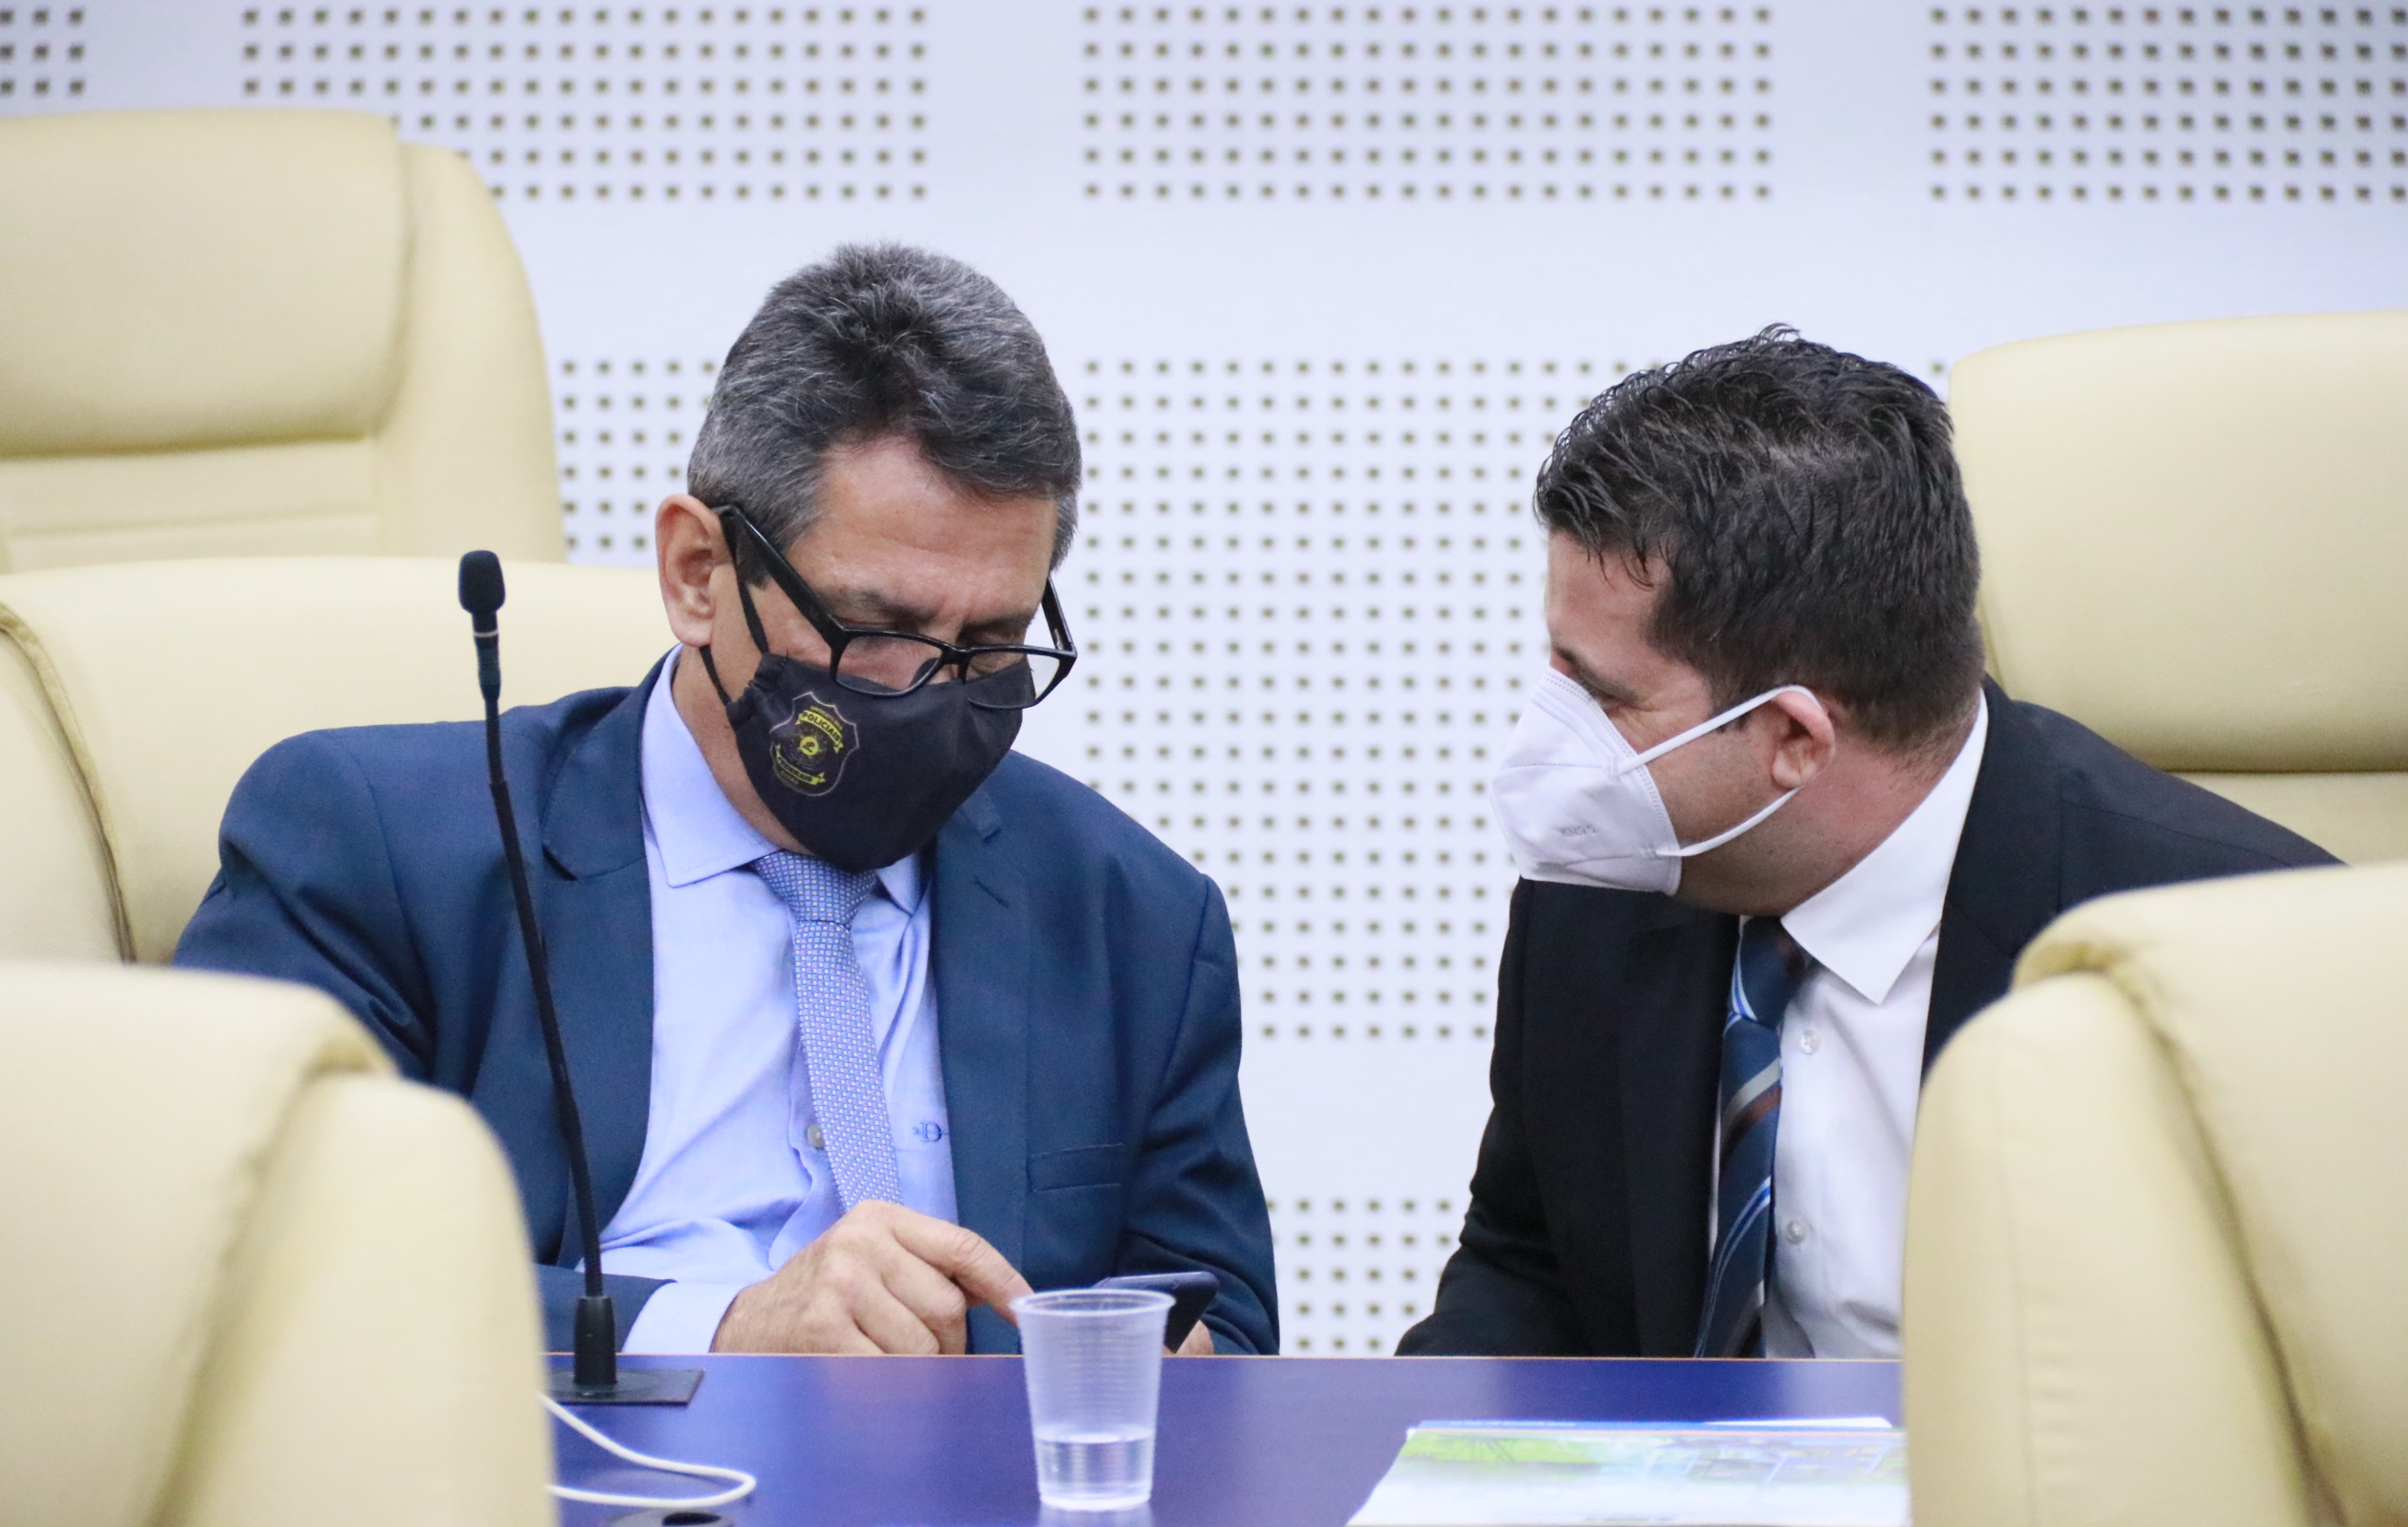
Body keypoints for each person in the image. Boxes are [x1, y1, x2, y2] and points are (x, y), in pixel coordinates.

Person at [177, 245, 1276, 1359]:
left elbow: (1224, 1323)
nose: (929, 691)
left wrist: (1141, 1364)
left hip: (971, 1476)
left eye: (990, 642)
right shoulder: (375, 848)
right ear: (698, 573)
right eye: (875, 629)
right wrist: (726, 1328)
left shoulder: (1133, 916)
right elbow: (246, 1267)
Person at [1397, 328, 2332, 1360]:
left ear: (1793, 738)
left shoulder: (2250, 956)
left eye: (1604, 695)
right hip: (1676, 1472)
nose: (1556, 741)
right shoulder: (1601, 885)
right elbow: (1528, 1265)